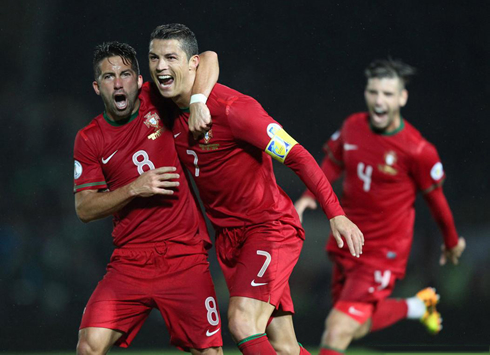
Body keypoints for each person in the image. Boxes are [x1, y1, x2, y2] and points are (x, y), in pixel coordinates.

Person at [147, 23, 364, 355]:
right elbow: (204, 58)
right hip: (229, 239)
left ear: (192, 64)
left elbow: (298, 156)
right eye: (154, 58)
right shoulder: (163, 105)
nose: (161, 66)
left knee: (242, 323)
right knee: (284, 345)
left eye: (171, 57)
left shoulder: (236, 110)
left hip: (269, 229)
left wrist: (336, 214)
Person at [294, 58, 466, 355]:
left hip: (383, 251)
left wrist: (451, 242)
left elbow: (436, 200)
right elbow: (332, 165)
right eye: (373, 92)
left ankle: (417, 305)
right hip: (347, 240)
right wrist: (309, 197)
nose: (379, 101)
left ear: (402, 98)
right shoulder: (352, 126)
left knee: (337, 327)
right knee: (355, 325)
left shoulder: (417, 149)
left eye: (387, 94)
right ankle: (418, 306)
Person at [73, 41, 223, 355]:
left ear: (140, 80)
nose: (118, 83)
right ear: (96, 87)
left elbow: (208, 58)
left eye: (125, 74)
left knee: (209, 352)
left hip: (184, 256)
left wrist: (197, 101)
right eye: (108, 77)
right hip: (130, 261)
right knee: (89, 347)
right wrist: (133, 188)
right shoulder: (90, 138)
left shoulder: (157, 99)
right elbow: (84, 209)